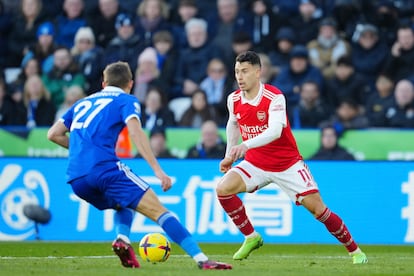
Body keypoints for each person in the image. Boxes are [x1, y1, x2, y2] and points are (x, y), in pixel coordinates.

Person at [47, 61, 232, 270]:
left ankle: (122, 239)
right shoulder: (126, 100)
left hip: (76, 178)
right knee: (160, 211)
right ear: (130, 83)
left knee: (123, 203)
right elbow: (135, 132)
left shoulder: (82, 103)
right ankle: (202, 260)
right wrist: (158, 171)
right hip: (104, 168)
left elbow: (53, 134)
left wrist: (84, 149)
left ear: (103, 82)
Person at [216, 51, 368, 264]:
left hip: (286, 164)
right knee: (223, 189)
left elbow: (275, 131)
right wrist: (229, 155)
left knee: (319, 210)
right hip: (255, 162)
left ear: (258, 72)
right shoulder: (233, 99)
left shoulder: (274, 97)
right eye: (237, 72)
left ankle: (355, 251)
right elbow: (233, 123)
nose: (239, 77)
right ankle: (251, 237)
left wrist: (245, 145)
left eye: (245, 71)